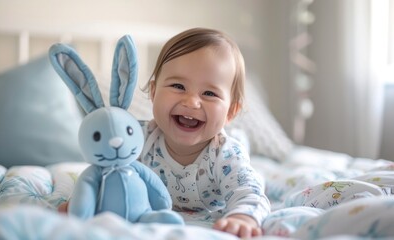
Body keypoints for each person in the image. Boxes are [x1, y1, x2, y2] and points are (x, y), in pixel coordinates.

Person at [59, 28, 270, 238]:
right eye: (178, 86)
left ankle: (243, 139)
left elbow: (249, 192)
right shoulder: (138, 139)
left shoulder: (226, 155)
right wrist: (85, 201)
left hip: (229, 164)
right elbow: (107, 172)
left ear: (230, 112)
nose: (191, 102)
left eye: (209, 93)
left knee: (249, 166)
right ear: (153, 92)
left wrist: (243, 217)